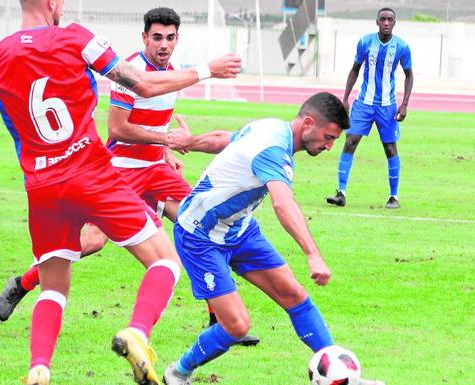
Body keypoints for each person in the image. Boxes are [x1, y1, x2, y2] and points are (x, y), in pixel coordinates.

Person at [0, 1, 242, 384]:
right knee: (165, 260)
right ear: (53, 3)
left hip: (42, 188)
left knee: (55, 285)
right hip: (92, 174)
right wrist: (207, 70)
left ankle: (38, 368)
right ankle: (137, 331)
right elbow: (140, 82)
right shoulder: (76, 38)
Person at [0, 6, 260, 347]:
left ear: (177, 39)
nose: (164, 44)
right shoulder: (132, 73)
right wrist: (167, 140)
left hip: (156, 172)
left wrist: (164, 153)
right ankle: (23, 283)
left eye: (170, 38)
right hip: (121, 172)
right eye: (157, 38)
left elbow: (156, 121)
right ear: (145, 37)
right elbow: (118, 128)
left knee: (200, 226)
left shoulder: (173, 72)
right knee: (91, 242)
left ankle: (219, 319)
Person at [162, 92, 384, 385]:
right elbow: (283, 203)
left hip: (239, 230)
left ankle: (341, 377)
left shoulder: (270, 126)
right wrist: (312, 253)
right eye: (328, 137)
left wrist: (190, 141)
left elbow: (223, 138)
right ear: (308, 123)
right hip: (200, 237)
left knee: (294, 295)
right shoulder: (273, 150)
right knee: (236, 326)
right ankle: (177, 372)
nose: (329, 146)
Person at [326, 7, 413, 209]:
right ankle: (341, 193)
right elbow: (355, 70)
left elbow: (409, 75)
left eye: (389, 20)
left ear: (394, 23)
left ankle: (394, 197)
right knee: (350, 141)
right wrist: (345, 98)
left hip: (387, 106)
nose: (386, 23)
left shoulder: (401, 47)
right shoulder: (365, 42)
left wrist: (405, 104)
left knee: (390, 148)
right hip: (363, 103)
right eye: (382, 19)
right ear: (377, 22)